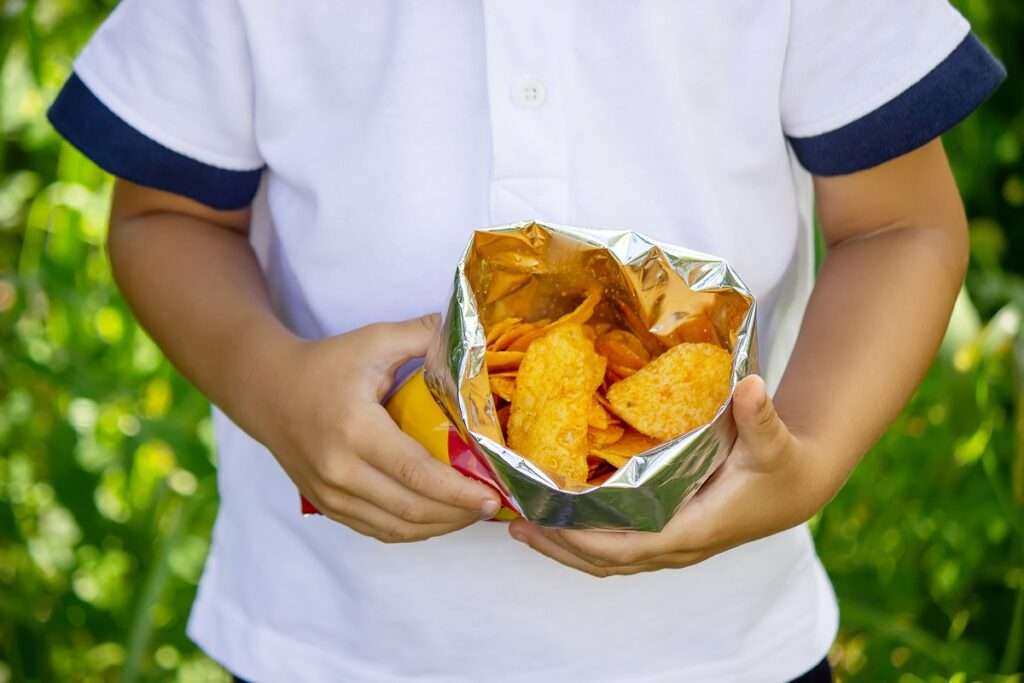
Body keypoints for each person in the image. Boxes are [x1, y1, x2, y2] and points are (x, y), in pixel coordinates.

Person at [48, 2, 1004, 681]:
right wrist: (269, 384)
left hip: (720, 649)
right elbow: (164, 218)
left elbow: (903, 226)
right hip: (330, 645)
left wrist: (815, 455)